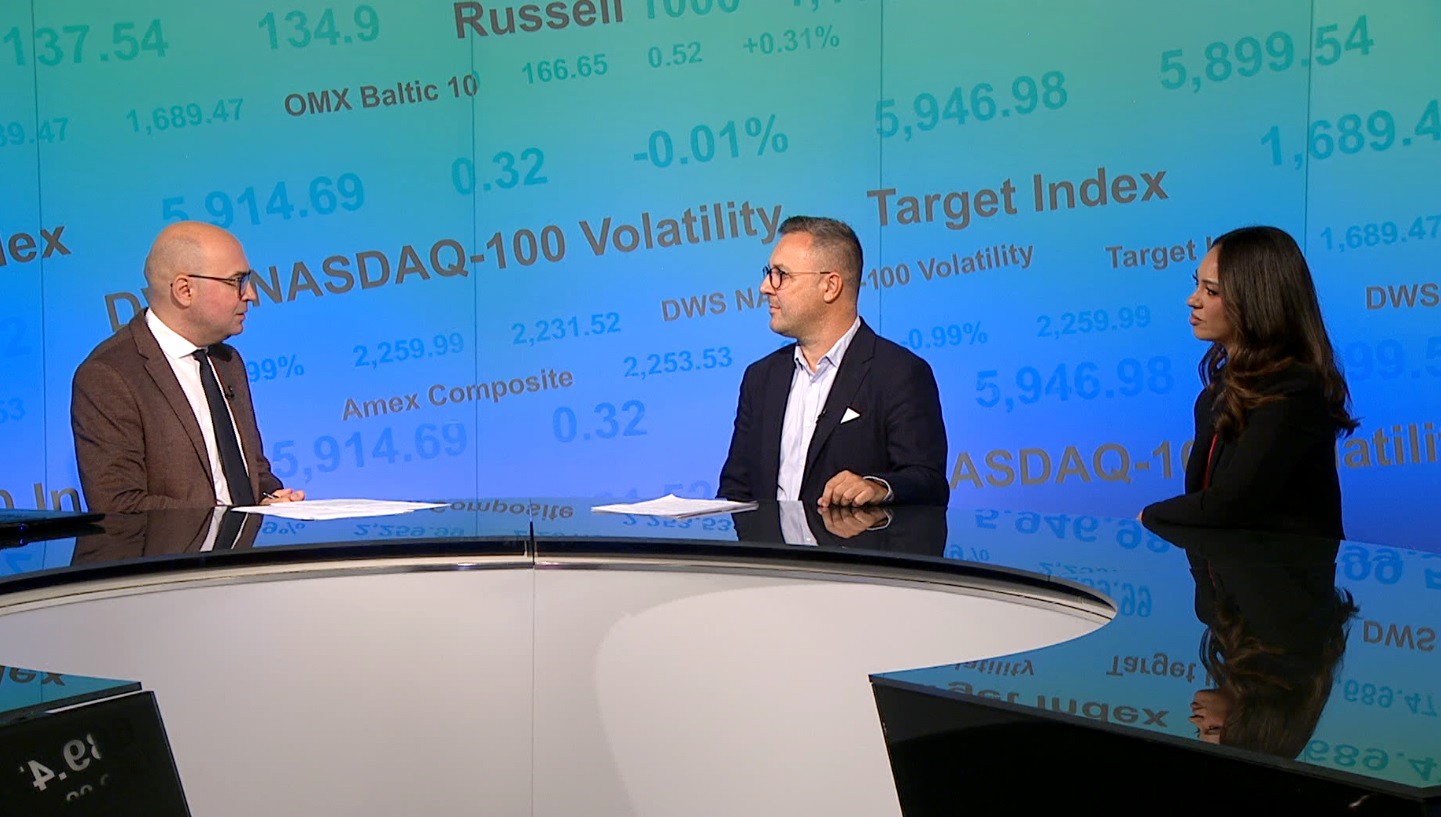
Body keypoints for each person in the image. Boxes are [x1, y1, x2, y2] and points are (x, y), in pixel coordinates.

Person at [71, 222, 304, 512]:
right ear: (185, 290)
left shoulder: (228, 362)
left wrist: (270, 498)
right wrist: (229, 519)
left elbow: (251, 470)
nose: (251, 294)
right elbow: (121, 507)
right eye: (237, 281)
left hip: (245, 541)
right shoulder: (109, 376)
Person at [1141, 226, 1357, 538]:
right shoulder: (1216, 395)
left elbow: (1231, 504)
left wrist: (1150, 515)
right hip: (1224, 567)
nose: (1193, 300)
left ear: (1255, 301)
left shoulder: (1292, 391)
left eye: (1211, 291)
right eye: (1197, 285)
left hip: (1283, 570)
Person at [718, 215, 949, 507]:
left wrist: (878, 487)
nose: (765, 286)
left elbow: (928, 482)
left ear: (830, 286)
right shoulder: (761, 378)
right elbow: (736, 490)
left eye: (781, 274)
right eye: (769, 272)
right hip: (769, 539)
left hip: (854, 538)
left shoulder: (899, 373)